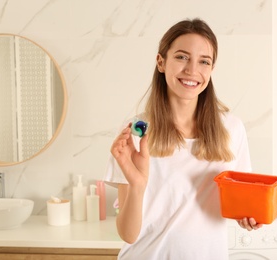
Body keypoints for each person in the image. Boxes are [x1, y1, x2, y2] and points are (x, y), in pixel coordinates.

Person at [104, 18, 262, 260]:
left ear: (212, 69)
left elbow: (240, 203)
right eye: (181, 57)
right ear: (161, 62)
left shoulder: (231, 129)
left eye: (204, 61)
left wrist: (247, 216)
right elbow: (128, 234)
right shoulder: (139, 131)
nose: (192, 70)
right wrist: (137, 185)